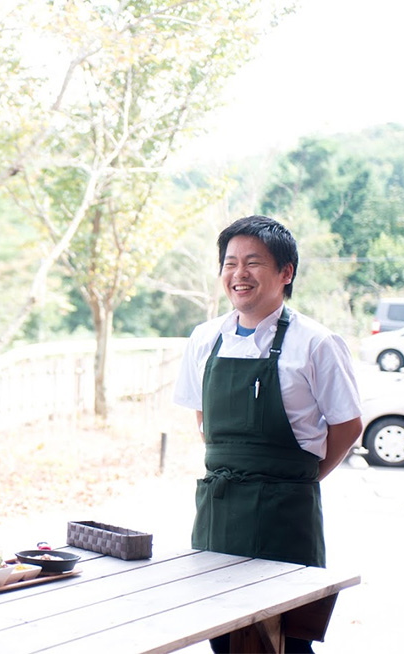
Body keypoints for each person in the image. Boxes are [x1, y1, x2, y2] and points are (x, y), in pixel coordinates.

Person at [172, 216, 363, 654]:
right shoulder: (205, 339)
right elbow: (205, 420)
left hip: (285, 515)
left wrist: (303, 475)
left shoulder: (316, 342)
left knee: (289, 642)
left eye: (253, 263)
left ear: (285, 273)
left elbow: (348, 425)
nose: (239, 274)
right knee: (224, 640)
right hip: (219, 515)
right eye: (230, 263)